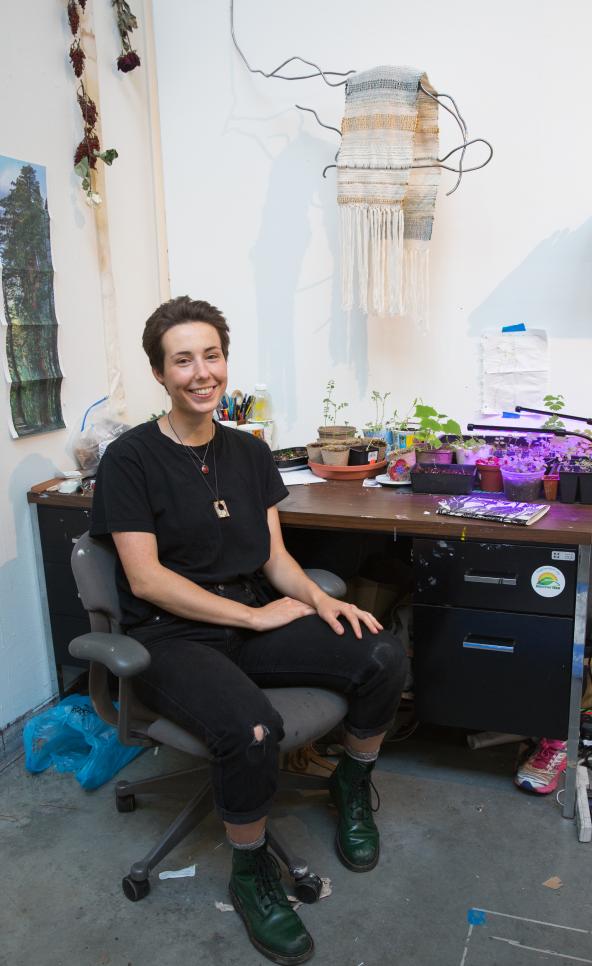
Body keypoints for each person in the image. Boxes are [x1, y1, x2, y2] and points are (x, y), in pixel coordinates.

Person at [90, 296, 409, 965]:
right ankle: (249, 873)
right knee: (250, 727)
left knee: (380, 650)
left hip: (250, 619)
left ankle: (350, 785)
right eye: (183, 360)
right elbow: (145, 580)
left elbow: (275, 558)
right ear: (160, 373)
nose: (201, 372)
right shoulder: (130, 459)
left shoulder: (248, 450)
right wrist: (255, 615)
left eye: (212, 355)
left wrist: (316, 602)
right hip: (171, 636)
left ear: (225, 362)